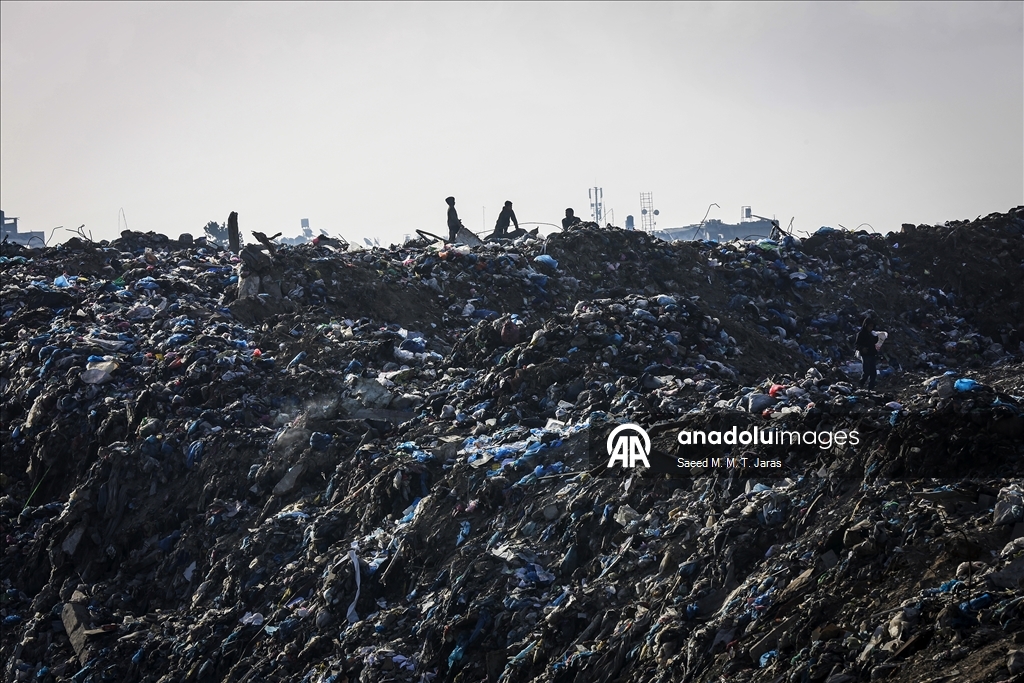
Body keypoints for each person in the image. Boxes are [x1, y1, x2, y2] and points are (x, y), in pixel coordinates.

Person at [855, 315, 880, 390]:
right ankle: (860, 384)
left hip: (872, 355)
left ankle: (870, 389)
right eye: (870, 326)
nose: (871, 328)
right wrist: (862, 348)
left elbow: (876, 343)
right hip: (865, 355)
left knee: (873, 374)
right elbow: (857, 345)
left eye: (872, 326)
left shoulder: (872, 334)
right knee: (866, 372)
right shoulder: (861, 334)